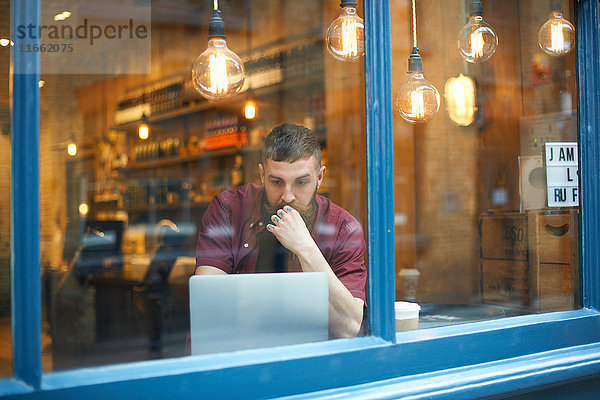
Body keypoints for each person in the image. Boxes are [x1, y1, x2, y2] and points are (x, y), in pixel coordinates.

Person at [195, 123, 366, 338]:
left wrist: (306, 248)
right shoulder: (229, 208)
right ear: (261, 174)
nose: (287, 196)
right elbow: (208, 305)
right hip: (237, 353)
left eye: (301, 182)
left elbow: (349, 326)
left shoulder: (344, 228)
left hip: (310, 361)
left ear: (320, 177)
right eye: (276, 182)